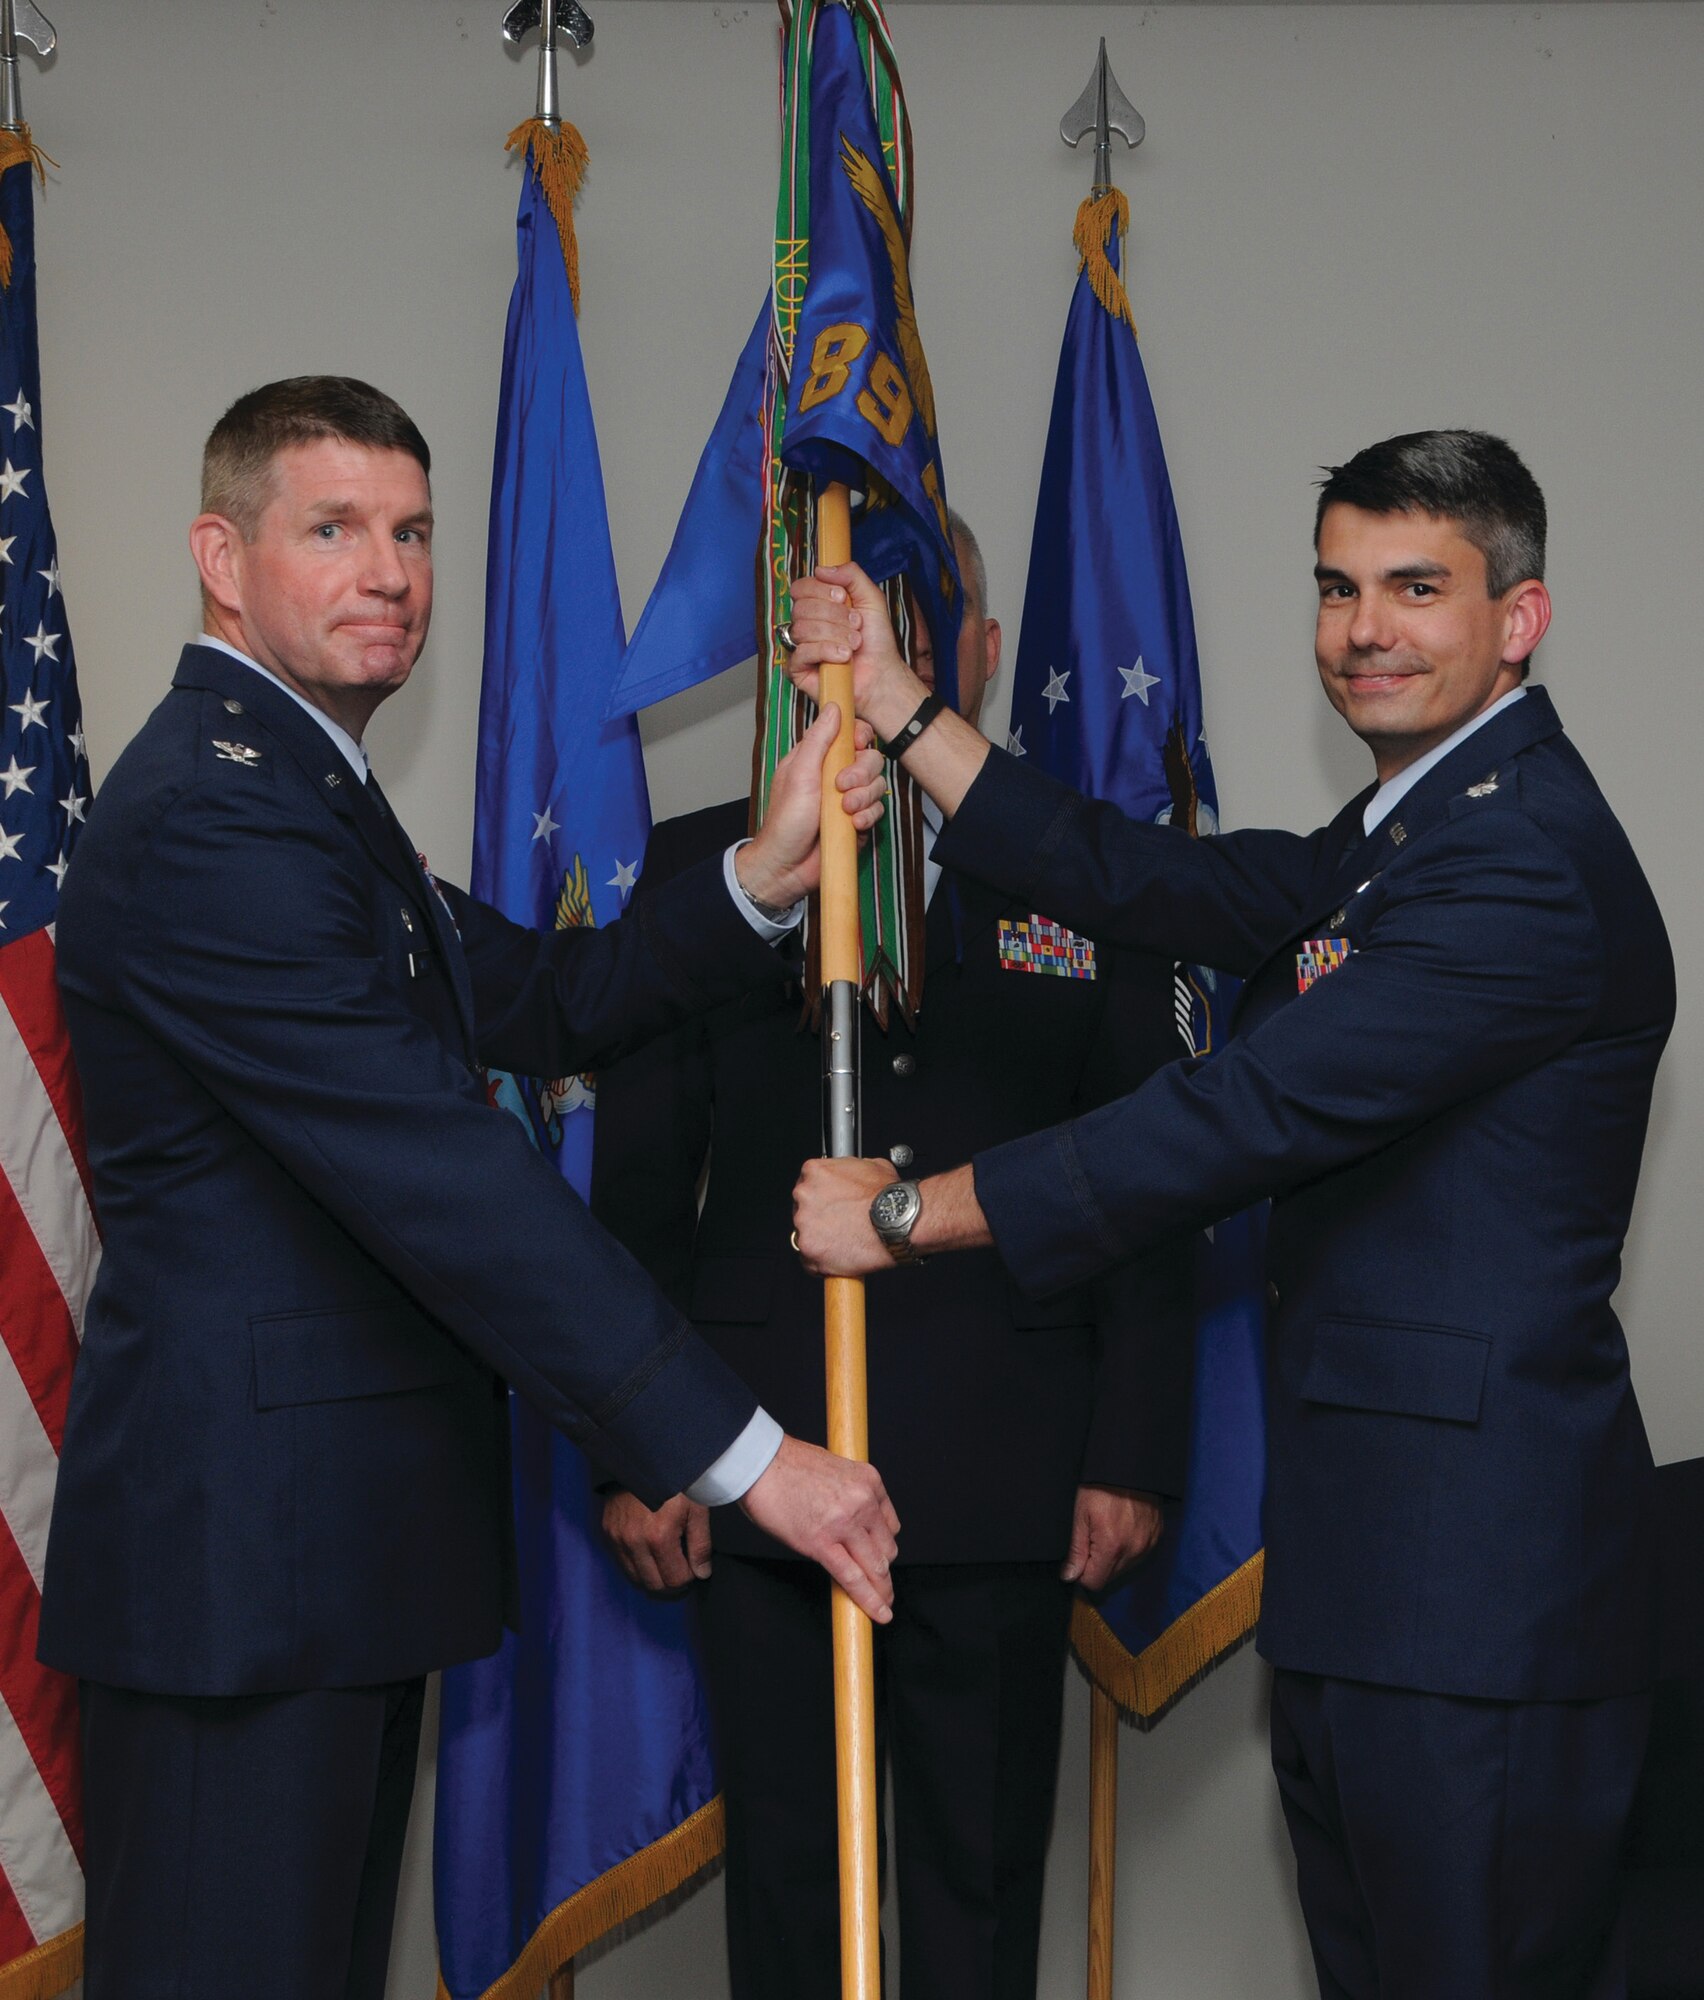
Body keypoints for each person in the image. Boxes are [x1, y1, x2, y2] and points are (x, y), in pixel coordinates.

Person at [39, 375, 902, 2000]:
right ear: (222, 558)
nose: (392, 572)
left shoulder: (306, 797)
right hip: (247, 1587)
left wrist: (758, 879)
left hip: (319, 1569)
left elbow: (540, 1001)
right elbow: (445, 1169)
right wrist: (745, 1455)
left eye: (416, 532)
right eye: (336, 529)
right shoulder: (218, 820)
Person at [786, 432, 1674, 2000]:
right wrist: (903, 713)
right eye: (1339, 588)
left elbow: (1239, 1116)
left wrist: (913, 1211)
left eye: (1417, 587)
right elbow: (1157, 885)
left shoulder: (1522, 858)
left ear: (1517, 619)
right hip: (1377, 1577)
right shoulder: (1416, 824)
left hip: (1481, 1601)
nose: (1364, 629)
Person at [592, 518, 1193, 2000]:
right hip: (760, 1458)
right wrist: (633, 1450)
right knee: (792, 1900)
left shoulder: (1076, 862)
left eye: (924, 625)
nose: (879, 656)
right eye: (848, 623)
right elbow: (640, 1196)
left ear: (977, 652)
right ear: (799, 649)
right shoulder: (702, 864)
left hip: (1009, 1468)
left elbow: (1149, 1181)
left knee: (979, 1892)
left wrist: (1132, 1446)